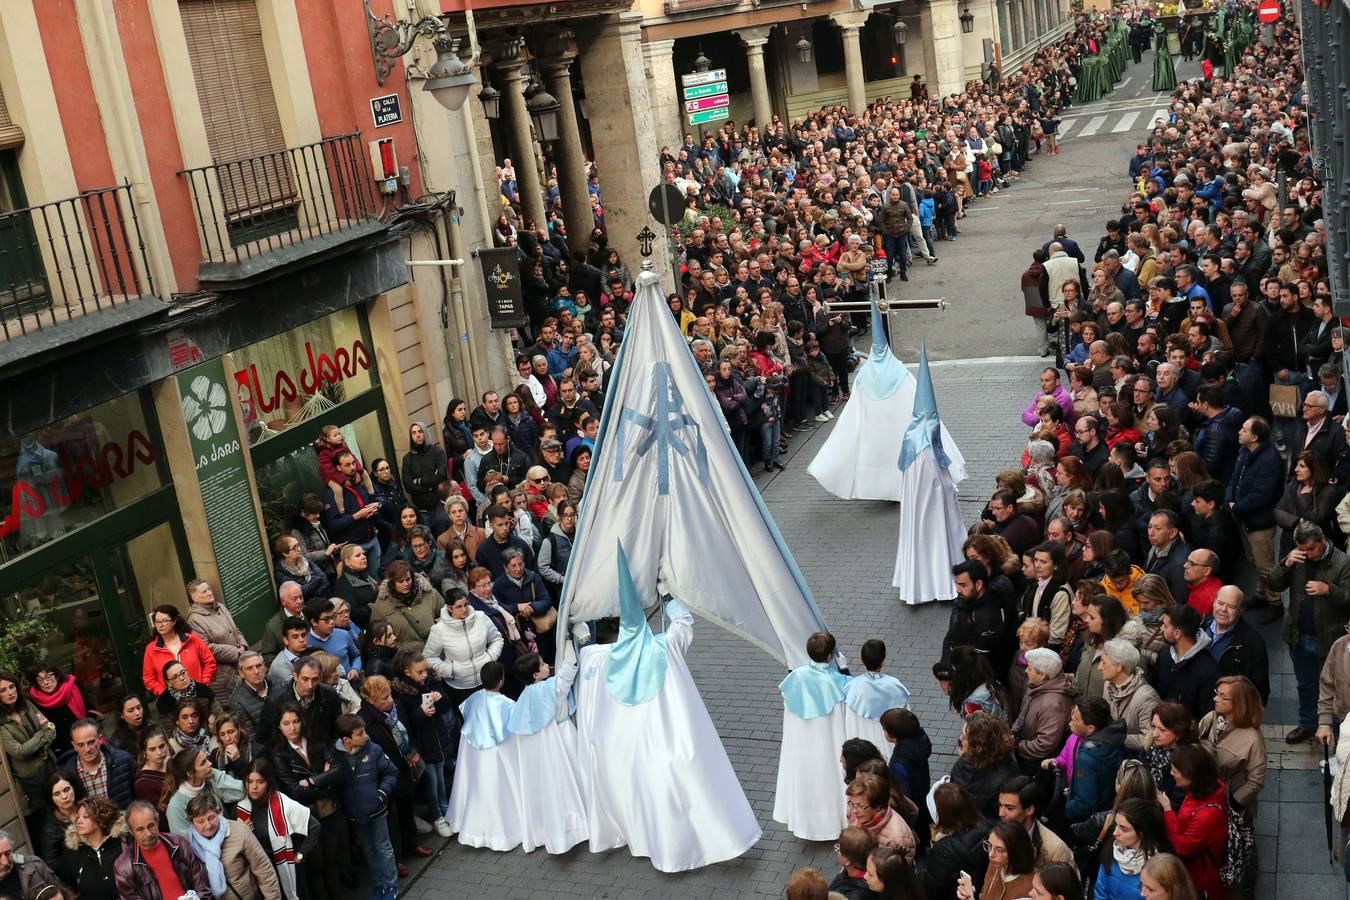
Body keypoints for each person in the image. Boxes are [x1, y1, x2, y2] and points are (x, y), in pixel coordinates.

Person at [1270, 521, 1350, 743]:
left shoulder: (1343, 563)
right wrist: (1286, 563)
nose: (1308, 555)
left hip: (1329, 638)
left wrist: (1329, 590)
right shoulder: (1298, 560)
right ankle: (1307, 724)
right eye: (1303, 550)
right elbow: (1273, 584)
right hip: (1298, 635)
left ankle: (1334, 730)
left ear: (1323, 539)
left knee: (1333, 687)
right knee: (1305, 685)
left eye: (1312, 549)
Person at [775, 631, 850, 840]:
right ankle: (833, 823)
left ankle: (805, 823)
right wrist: (844, 668)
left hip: (802, 745)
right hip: (829, 744)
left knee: (806, 780)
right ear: (829, 656)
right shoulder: (838, 682)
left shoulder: (795, 678)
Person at [330, 714, 400, 900]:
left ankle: (391, 885)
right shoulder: (335, 756)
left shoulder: (373, 750)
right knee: (368, 849)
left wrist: (381, 794)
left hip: (376, 810)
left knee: (383, 847)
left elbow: (391, 772)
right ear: (347, 740)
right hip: (354, 815)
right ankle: (380, 884)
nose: (366, 736)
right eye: (360, 733)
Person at [235, 758, 317, 900]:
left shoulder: (284, 804)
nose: (254, 787)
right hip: (260, 873)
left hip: (286, 867)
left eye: (260, 782)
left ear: (268, 783)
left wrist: (300, 855)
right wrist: (242, 832)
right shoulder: (241, 808)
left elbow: (315, 827)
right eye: (250, 781)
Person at [1226, 417, 1283, 622]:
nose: (1239, 432)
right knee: (1254, 561)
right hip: (1245, 518)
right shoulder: (1244, 451)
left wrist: (1236, 507)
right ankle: (1261, 594)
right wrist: (1230, 498)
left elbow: (1262, 495)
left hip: (1260, 522)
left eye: (1244, 429)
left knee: (1266, 566)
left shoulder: (1270, 460)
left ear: (1255, 436)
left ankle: (1275, 603)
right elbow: (1235, 478)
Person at [1158, 742, 1228, 900]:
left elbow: (1182, 848)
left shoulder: (1207, 816)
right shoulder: (1204, 790)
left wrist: (1167, 809)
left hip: (1201, 879)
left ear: (1189, 778)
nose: (1171, 773)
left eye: (1175, 771)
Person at [184, 790, 282, 900]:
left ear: (218, 813)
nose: (208, 825)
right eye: (201, 821)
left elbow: (264, 871)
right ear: (192, 822)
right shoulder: (186, 845)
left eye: (211, 818)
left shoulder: (240, 832)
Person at [115, 800, 213, 899]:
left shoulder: (179, 843)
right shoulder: (123, 866)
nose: (148, 833)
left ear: (157, 821)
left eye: (151, 826)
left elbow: (202, 884)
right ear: (131, 831)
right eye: (140, 829)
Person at [1197, 676, 1267, 816]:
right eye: (1217, 693)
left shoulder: (1253, 739)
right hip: (1203, 797)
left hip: (1229, 806)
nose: (1215, 699)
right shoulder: (1210, 718)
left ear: (1239, 703)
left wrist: (1233, 803)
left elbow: (1256, 781)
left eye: (1223, 697)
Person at [0, 671, 58, 832]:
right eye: (2, 690)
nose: (10, 692)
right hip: (31, 780)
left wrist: (42, 735)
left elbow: (52, 729)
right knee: (47, 823)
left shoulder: (27, 706)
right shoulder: (2, 724)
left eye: (11, 687)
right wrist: (41, 734)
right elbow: (19, 752)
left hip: (50, 764)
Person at [1056, 696, 1126, 823]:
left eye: (1075, 719)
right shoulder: (1114, 740)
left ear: (1090, 728)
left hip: (1087, 822)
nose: (1070, 723)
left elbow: (1085, 804)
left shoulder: (1087, 758)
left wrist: (1068, 806)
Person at [1091, 797, 1170, 900]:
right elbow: (1100, 893)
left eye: (1124, 829)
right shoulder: (1112, 851)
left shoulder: (1157, 868)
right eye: (1116, 825)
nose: (1115, 833)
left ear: (1141, 833)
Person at [1151, 604, 1219, 719]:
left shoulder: (1208, 672)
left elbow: (1206, 716)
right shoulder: (1164, 654)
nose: (1161, 628)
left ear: (1177, 633)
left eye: (1165, 626)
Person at [1204, 586, 1270, 704]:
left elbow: (1260, 691)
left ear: (1240, 611)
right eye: (1220, 603)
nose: (1223, 609)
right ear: (1213, 603)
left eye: (1231, 606)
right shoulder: (1198, 626)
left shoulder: (1253, 644)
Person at [54, 796, 128, 900]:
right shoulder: (73, 852)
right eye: (78, 817)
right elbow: (69, 889)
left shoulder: (120, 843)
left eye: (85, 817)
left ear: (100, 819)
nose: (79, 821)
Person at [1011, 648, 1074, 769]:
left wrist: (1017, 745)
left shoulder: (1054, 704)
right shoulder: (1039, 688)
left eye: (1029, 668)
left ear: (1042, 675)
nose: (1026, 671)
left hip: (1036, 765)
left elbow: (1044, 745)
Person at [186, 579, 248, 698]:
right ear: (195, 598)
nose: (209, 593)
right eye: (204, 591)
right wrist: (236, 652)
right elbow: (206, 648)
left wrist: (243, 645)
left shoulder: (220, 607)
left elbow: (235, 630)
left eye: (209, 589)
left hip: (241, 662)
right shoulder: (194, 620)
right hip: (224, 674)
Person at [951, 712, 1020, 818]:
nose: (960, 739)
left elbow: (999, 818)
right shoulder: (965, 760)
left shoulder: (1007, 779)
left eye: (964, 738)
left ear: (978, 746)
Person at [164, 746, 244, 836]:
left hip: (228, 835)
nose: (210, 764)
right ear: (190, 773)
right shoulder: (176, 806)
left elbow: (242, 791)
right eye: (203, 763)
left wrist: (214, 774)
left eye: (207, 759)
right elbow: (185, 842)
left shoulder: (209, 779)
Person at [996, 776, 1073, 867]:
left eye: (1009, 808)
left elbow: (1067, 880)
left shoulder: (1055, 851)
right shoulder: (995, 836)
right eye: (1000, 805)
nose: (1001, 813)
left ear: (1029, 810)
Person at [142, 605, 216, 697]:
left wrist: (203, 684)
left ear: (174, 621)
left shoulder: (192, 639)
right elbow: (149, 678)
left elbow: (209, 662)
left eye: (164, 621)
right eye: (157, 622)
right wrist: (165, 694)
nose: (160, 625)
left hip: (199, 695)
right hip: (172, 702)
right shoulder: (151, 649)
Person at [371, 560, 443, 654]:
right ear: (392, 583)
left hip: (437, 650)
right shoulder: (382, 605)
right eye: (400, 581)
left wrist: (436, 629)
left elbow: (446, 615)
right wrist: (397, 650)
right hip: (406, 658)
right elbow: (378, 634)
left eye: (408, 579)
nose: (406, 584)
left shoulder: (429, 593)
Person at [60, 718, 135, 808]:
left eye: (91, 742)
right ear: (74, 746)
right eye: (81, 745)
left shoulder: (123, 760)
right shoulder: (67, 773)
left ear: (100, 739)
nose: (87, 749)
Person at [1100, 639, 1158, 753]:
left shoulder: (1146, 697)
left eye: (1103, 662)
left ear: (1119, 667)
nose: (1099, 667)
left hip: (1131, 762)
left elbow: (1151, 739)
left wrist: (1115, 737)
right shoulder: (1108, 684)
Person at [957, 820, 1036, 900]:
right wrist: (970, 896)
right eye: (989, 845)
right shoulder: (995, 863)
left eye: (1000, 850)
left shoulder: (1030, 891)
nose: (990, 854)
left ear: (1017, 852)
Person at [846, 772, 917, 860]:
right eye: (852, 804)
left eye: (860, 806)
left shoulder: (898, 838)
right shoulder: (862, 815)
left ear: (878, 806)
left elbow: (897, 871)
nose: (854, 811)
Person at [333, 543, 380, 628]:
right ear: (347, 562)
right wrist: (375, 606)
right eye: (358, 555)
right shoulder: (342, 585)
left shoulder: (364, 575)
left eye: (363, 554)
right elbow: (353, 614)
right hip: (366, 628)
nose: (363, 557)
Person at [132, 729, 171, 824]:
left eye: (162, 746)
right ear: (145, 752)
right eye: (152, 749)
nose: (159, 752)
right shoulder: (143, 783)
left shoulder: (172, 764)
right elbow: (159, 816)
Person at [828, 825, 877, 899]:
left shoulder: (855, 895)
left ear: (847, 861)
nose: (837, 851)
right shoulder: (850, 872)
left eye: (838, 849)